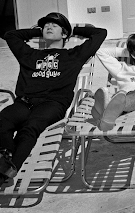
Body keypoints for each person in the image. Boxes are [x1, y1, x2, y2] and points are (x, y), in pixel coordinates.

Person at [0, 12, 107, 185]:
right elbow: (10, 35)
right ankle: (6, 161)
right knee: (3, 121)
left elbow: (100, 33)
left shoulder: (74, 55)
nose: (48, 27)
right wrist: (38, 32)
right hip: (24, 102)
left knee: (30, 128)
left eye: (54, 25)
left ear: (65, 34)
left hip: (53, 103)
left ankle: (8, 170)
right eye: (46, 25)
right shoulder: (28, 54)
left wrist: (74, 29)